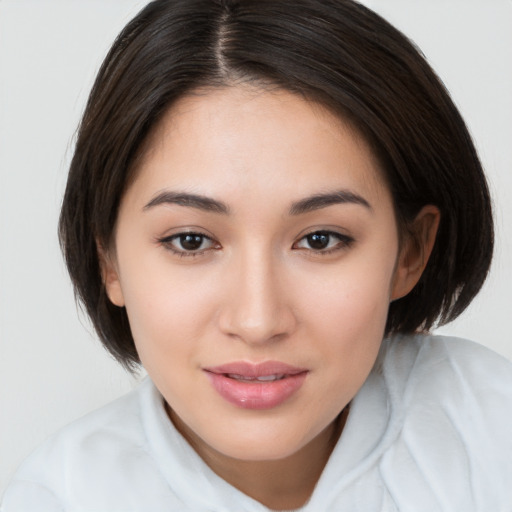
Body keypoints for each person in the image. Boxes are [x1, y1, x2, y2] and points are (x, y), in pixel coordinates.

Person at [2, 0, 511, 510]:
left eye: (320, 239)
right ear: (108, 261)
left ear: (410, 252)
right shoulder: (60, 496)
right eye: (191, 241)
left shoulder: (490, 426)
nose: (257, 321)